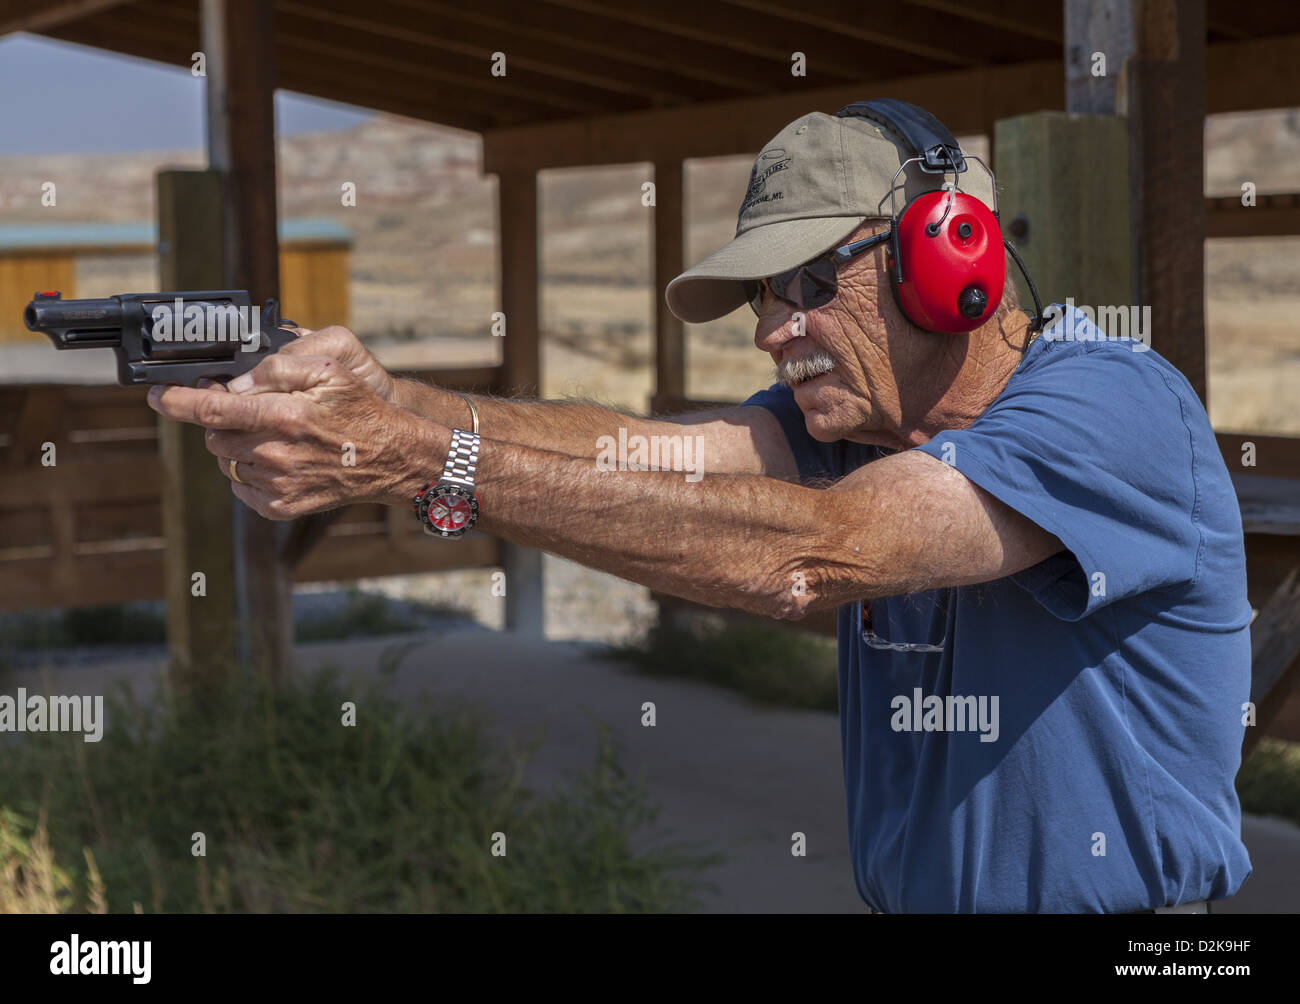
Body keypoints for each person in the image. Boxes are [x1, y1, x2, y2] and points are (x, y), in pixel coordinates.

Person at [149, 100, 1253, 914]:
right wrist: (393, 406)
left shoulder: (1113, 403)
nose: (776, 325)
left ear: (944, 253)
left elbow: (819, 555)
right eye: (766, 297)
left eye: (811, 282)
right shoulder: (860, 428)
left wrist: (410, 460)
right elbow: (650, 458)